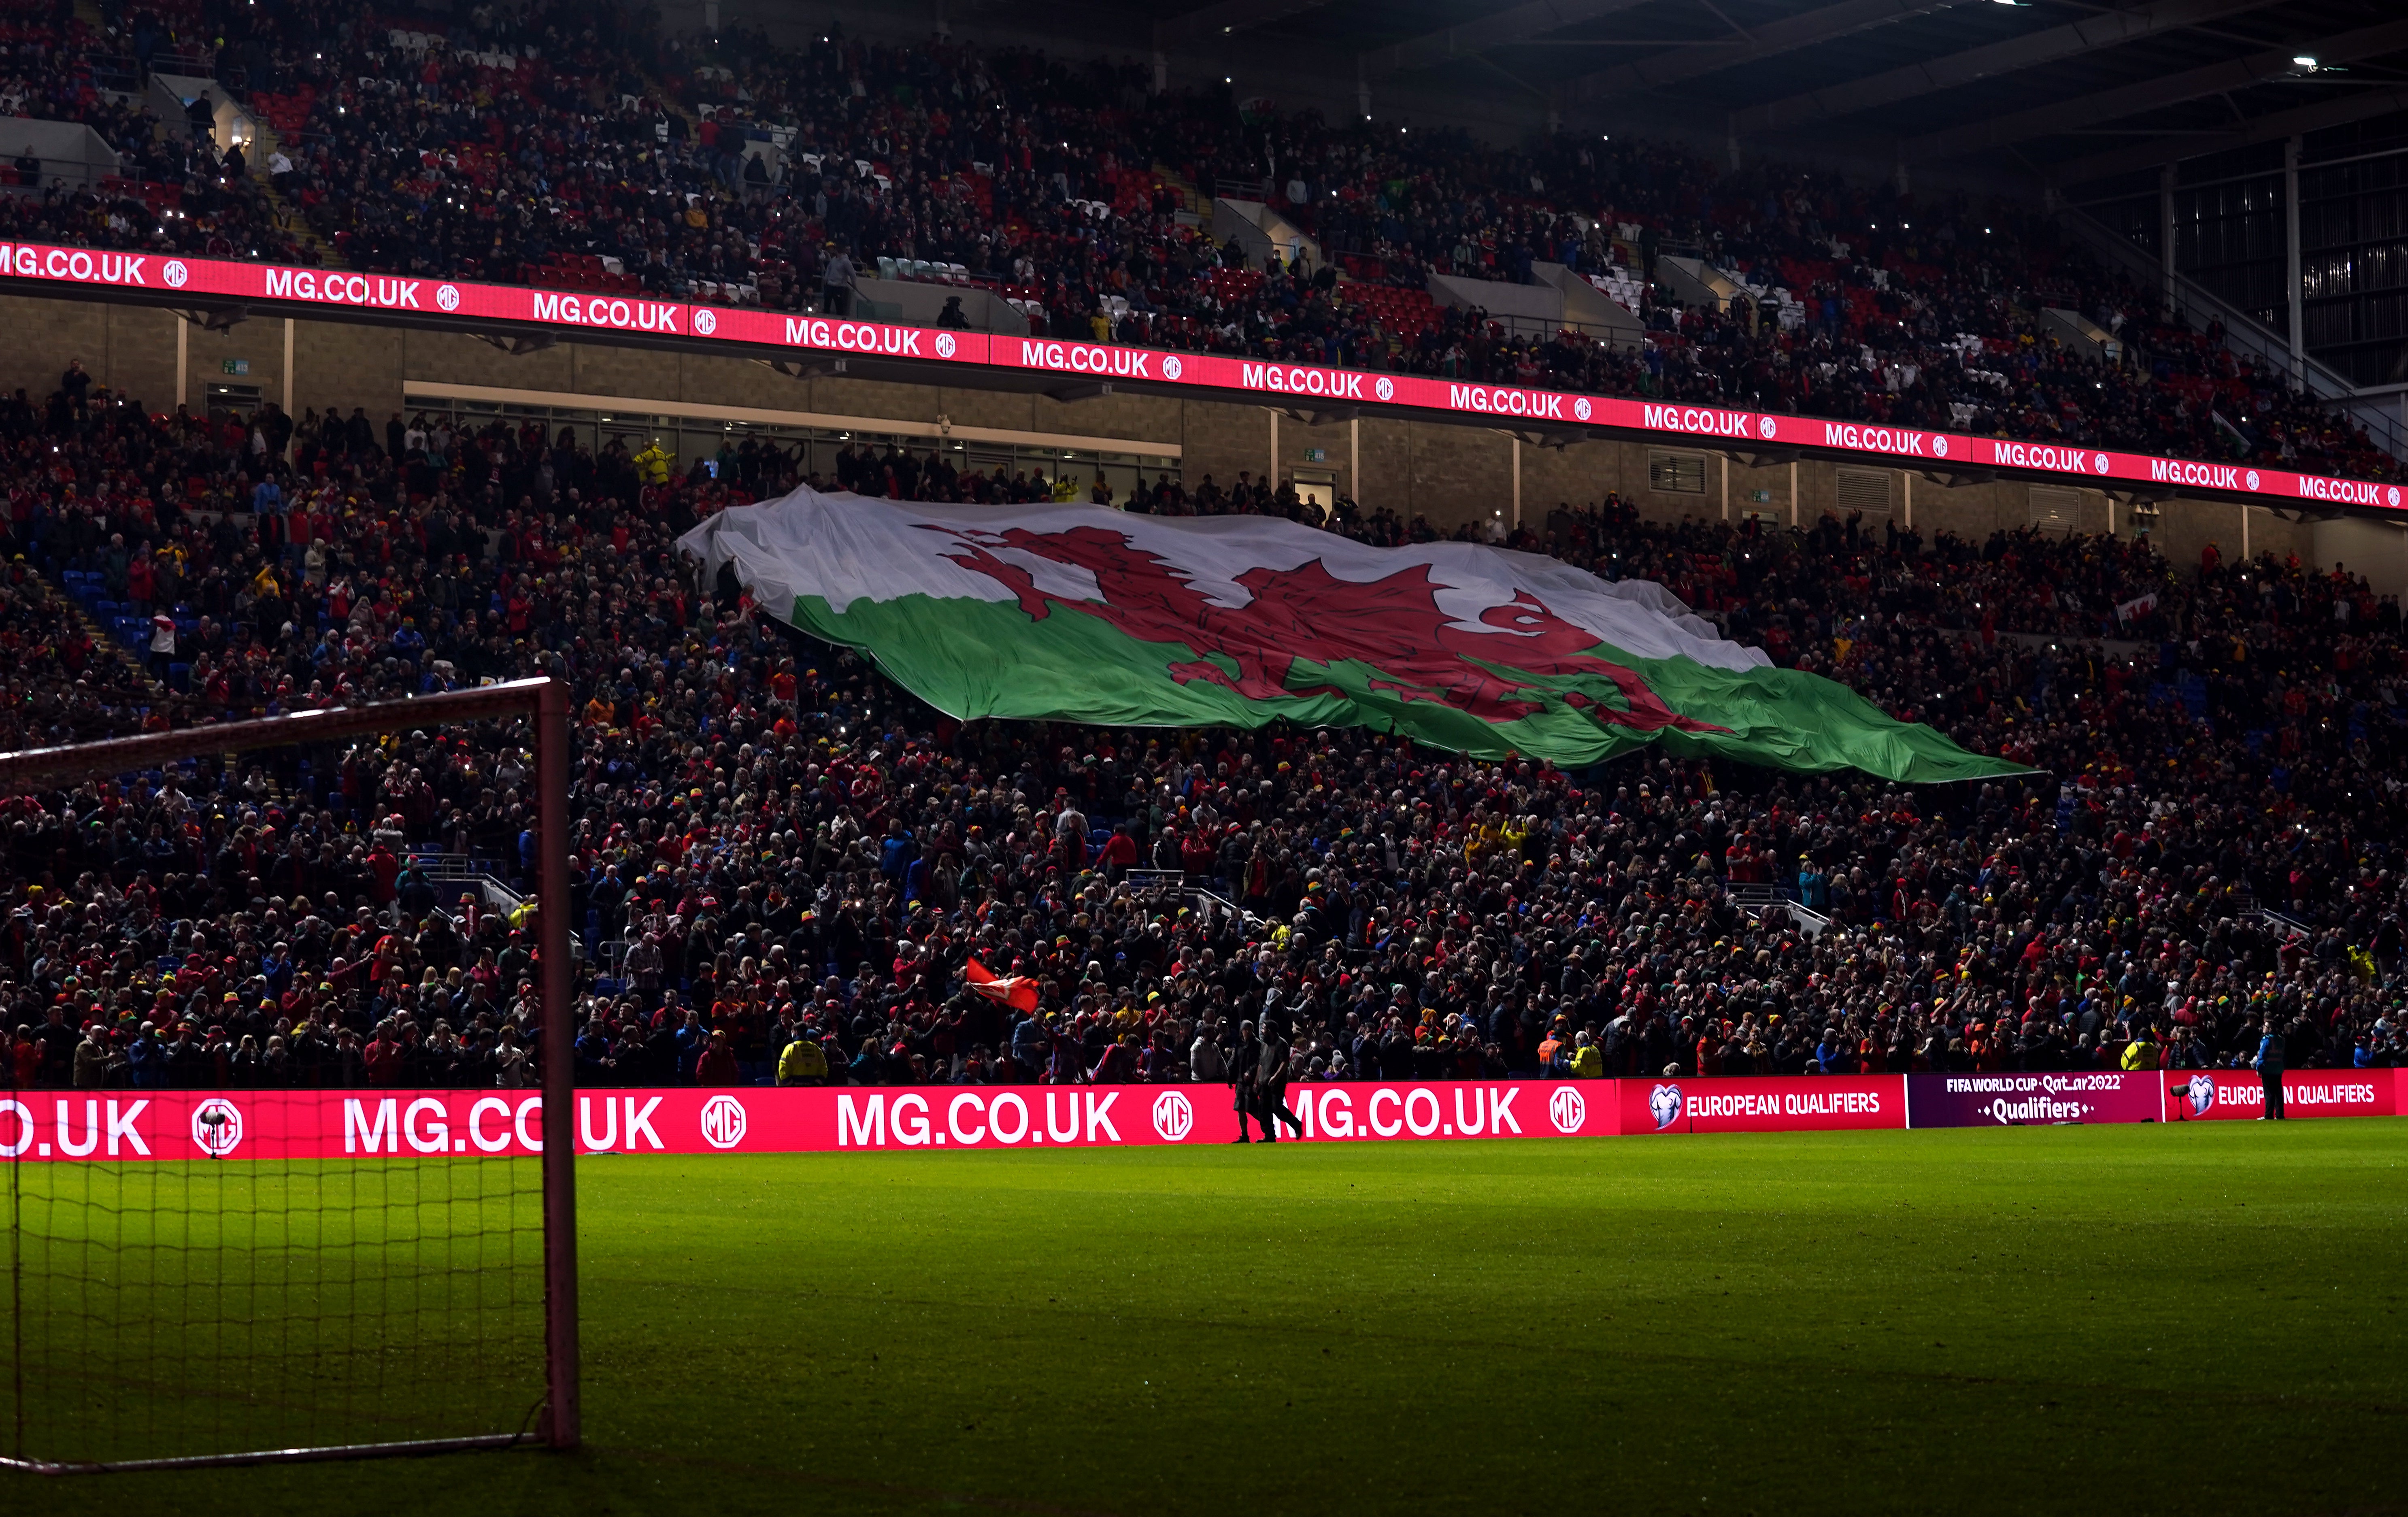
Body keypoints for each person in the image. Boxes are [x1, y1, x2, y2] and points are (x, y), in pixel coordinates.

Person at [1254, 1021, 1304, 1143]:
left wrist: (1276, 1077)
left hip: (1277, 1083)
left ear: (1270, 1031)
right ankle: (1269, 1135)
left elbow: (1285, 1063)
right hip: (1264, 1082)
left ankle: (1296, 1124)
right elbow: (1261, 1064)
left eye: (1264, 1029)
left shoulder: (1281, 1044)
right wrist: (1257, 1081)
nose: (1262, 1031)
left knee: (1276, 1108)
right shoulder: (1264, 1045)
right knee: (1264, 1110)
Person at [1226, 1017, 1261, 1143]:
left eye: (1251, 1030)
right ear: (1243, 1031)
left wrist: (1250, 1072)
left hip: (1251, 1082)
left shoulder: (1257, 1044)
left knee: (1251, 1108)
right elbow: (1235, 1062)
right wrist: (1231, 1078)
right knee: (1240, 1108)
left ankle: (1267, 1127)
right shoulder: (1239, 1045)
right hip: (1241, 1081)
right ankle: (1244, 1135)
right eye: (1247, 1030)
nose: (1249, 1032)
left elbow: (1259, 1062)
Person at [2253, 1017, 2285, 1120]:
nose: (2263, 1028)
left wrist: (2259, 1068)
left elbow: (2262, 1055)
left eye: (2265, 1027)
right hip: (2278, 1069)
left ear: (2270, 1029)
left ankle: (2268, 1115)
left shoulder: (2266, 1040)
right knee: (2278, 1093)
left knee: (2269, 1094)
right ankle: (2280, 1115)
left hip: (2268, 1070)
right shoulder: (2281, 1039)